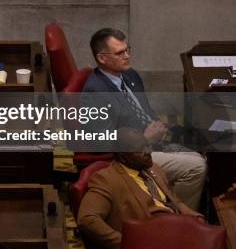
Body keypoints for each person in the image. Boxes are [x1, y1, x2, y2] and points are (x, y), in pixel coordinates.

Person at [82, 28, 206, 210]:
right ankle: (177, 219)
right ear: (102, 58)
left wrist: (159, 127)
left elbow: (145, 111)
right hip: (133, 155)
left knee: (202, 154)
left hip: (155, 141)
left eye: (127, 50)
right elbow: (98, 140)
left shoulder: (130, 75)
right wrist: (145, 138)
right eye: (119, 53)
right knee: (197, 167)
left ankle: (170, 204)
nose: (127, 56)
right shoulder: (95, 91)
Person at [77, 128, 202, 249]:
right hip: (153, 242)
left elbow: (174, 201)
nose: (148, 151)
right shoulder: (106, 179)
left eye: (147, 145)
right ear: (123, 157)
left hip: (175, 230)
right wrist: (126, 244)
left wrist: (195, 218)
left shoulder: (153, 168)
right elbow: (87, 219)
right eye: (140, 149)